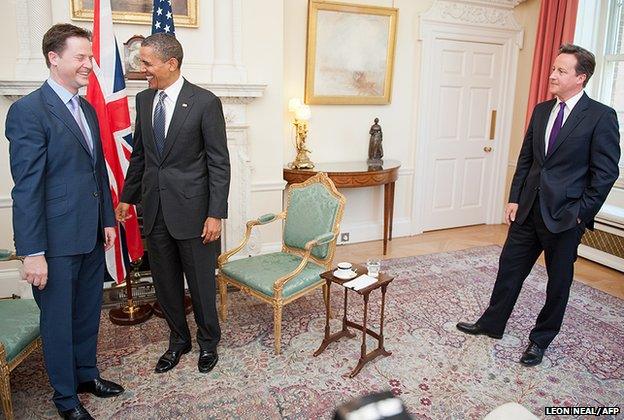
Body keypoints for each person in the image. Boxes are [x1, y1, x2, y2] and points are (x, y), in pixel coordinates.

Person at [456, 44, 620, 366]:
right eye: (553, 69)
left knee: (558, 284)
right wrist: (515, 197)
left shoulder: (601, 116)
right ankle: (492, 324)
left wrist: (580, 214)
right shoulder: (542, 110)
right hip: (529, 209)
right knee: (509, 269)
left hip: (565, 218)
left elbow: (605, 173)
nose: (552, 75)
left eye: (561, 70)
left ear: (580, 77)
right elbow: (528, 159)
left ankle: (540, 340)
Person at [6, 23, 124, 419]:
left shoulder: (87, 108)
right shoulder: (27, 111)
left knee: (89, 313)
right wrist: (32, 253)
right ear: (54, 58)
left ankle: (86, 375)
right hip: (53, 244)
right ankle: (65, 399)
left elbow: (95, 171)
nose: (89, 64)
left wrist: (107, 219)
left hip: (90, 235)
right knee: (57, 323)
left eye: (89, 56)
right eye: (81, 57)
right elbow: (26, 189)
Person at [116, 33, 230, 374]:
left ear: (171, 64)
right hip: (155, 209)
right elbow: (141, 156)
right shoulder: (145, 101)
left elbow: (218, 163)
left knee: (200, 283)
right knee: (165, 283)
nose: (142, 69)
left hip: (195, 213)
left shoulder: (205, 102)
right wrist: (127, 197)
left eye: (147, 62)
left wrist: (215, 213)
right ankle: (178, 340)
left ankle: (208, 343)